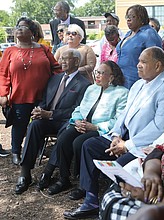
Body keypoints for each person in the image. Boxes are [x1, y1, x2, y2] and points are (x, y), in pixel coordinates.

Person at [63, 47, 164, 219]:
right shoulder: (138, 84)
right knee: (89, 146)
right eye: (139, 61)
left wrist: (126, 145)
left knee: (121, 166)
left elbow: (159, 126)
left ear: (158, 66)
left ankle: (115, 206)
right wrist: (116, 135)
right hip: (124, 138)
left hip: (143, 145)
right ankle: (90, 200)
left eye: (143, 62)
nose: (138, 65)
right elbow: (124, 115)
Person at [38, 60, 129, 196]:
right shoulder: (92, 88)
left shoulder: (121, 93)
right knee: (63, 138)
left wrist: (95, 127)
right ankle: (64, 179)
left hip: (102, 130)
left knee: (79, 143)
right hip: (83, 125)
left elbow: (118, 120)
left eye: (101, 73)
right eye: (96, 72)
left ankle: (83, 184)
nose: (97, 75)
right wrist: (77, 121)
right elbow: (79, 109)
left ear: (112, 77)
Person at [14, 48, 91, 195]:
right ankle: (25, 173)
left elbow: (78, 109)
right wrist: (39, 111)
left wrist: (50, 114)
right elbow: (45, 100)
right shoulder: (55, 78)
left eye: (66, 59)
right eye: (61, 58)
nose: (62, 61)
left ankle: (48, 172)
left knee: (66, 131)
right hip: (49, 118)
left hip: (67, 120)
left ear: (76, 61)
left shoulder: (84, 84)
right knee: (34, 125)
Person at [0, 17, 61, 166]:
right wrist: (3, 94)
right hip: (20, 96)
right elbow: (3, 74)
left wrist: (57, 89)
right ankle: (16, 152)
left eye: (23, 27)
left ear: (32, 32)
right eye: (17, 27)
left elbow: (57, 69)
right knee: (19, 125)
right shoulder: (10, 51)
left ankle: (38, 150)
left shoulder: (43, 49)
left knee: (38, 124)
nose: (19, 29)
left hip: (43, 96)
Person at [116, 4, 162, 89]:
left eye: (132, 16)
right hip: (121, 79)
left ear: (141, 18)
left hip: (137, 81)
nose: (128, 19)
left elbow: (156, 59)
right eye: (127, 17)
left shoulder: (149, 34)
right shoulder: (128, 33)